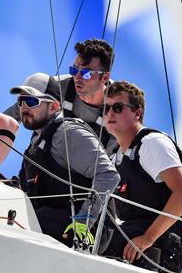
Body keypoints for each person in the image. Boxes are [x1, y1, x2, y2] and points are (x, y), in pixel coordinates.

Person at [101, 81, 182, 273]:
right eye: (107, 108)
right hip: (134, 236)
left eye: (118, 107)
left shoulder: (152, 143)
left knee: (101, 240)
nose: (110, 113)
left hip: (166, 243)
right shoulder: (115, 156)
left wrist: (147, 238)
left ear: (137, 112)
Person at [11, 76, 119, 246]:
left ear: (54, 106)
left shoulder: (68, 133)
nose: (24, 107)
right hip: (52, 218)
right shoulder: (35, 145)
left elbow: (109, 175)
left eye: (31, 101)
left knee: (22, 222)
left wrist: (84, 221)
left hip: (85, 228)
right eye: (21, 102)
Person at [3, 38, 117, 152]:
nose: (77, 77)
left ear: (105, 77)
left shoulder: (120, 108)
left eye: (86, 73)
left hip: (87, 166)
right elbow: (10, 116)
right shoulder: (56, 87)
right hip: (42, 158)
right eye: (74, 70)